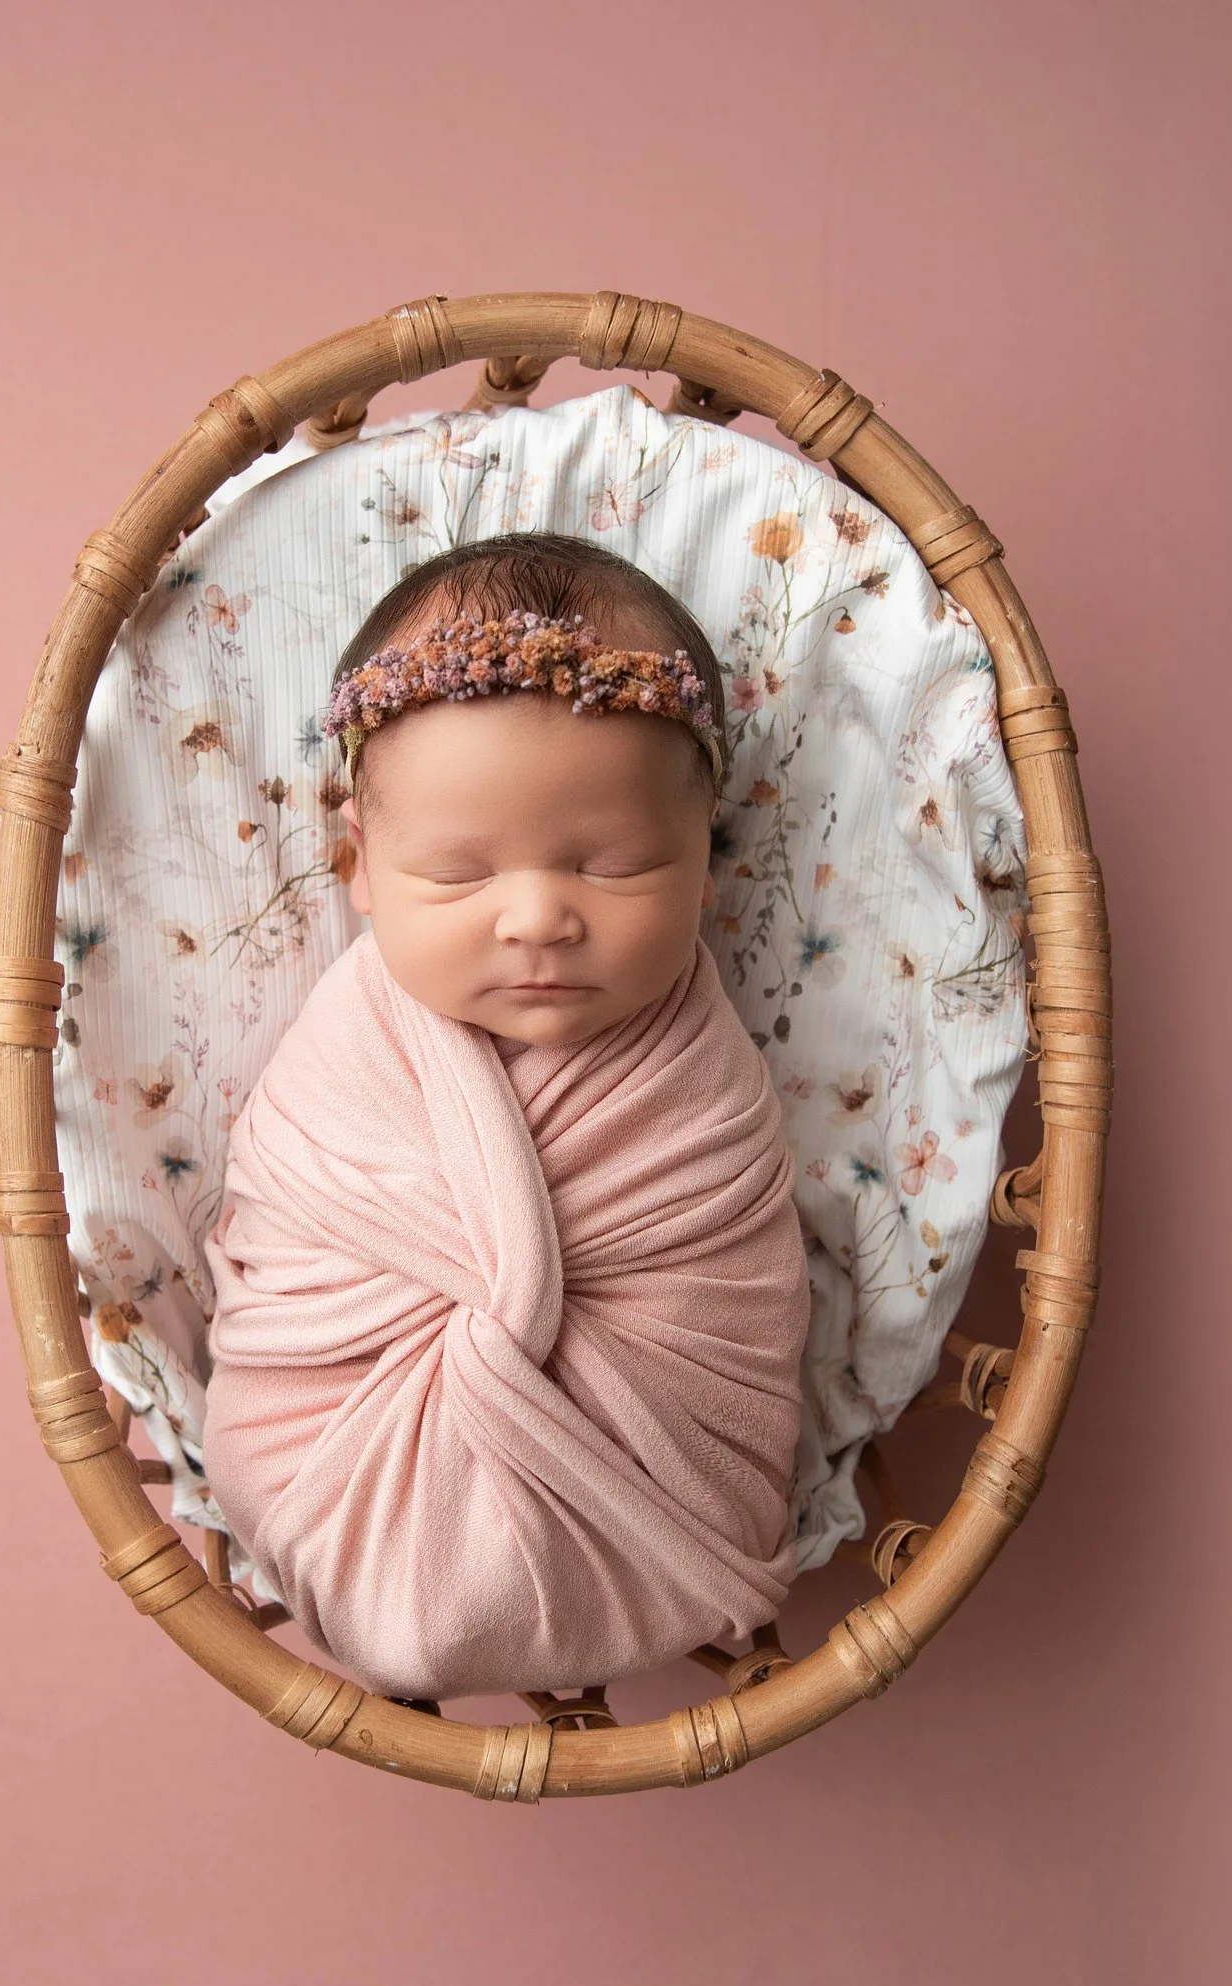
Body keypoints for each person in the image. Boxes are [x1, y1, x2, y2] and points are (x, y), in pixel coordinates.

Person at [198, 534, 811, 1701]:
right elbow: (289, 1228)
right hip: (334, 1457)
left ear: (707, 869)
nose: (536, 915)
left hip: (665, 1496)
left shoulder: (696, 1067)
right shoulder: (352, 1046)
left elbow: (731, 1286)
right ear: (359, 868)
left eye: (617, 865)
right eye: (458, 874)